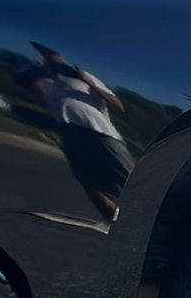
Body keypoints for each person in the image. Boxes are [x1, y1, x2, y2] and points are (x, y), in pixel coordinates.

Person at [29, 42, 132, 221]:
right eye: (50, 63)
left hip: (100, 133)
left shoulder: (85, 78)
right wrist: (42, 70)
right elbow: (28, 82)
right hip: (71, 134)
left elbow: (119, 106)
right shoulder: (44, 81)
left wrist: (85, 79)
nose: (56, 66)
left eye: (59, 63)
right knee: (88, 182)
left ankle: (158, 220)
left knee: (128, 179)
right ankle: (115, 221)